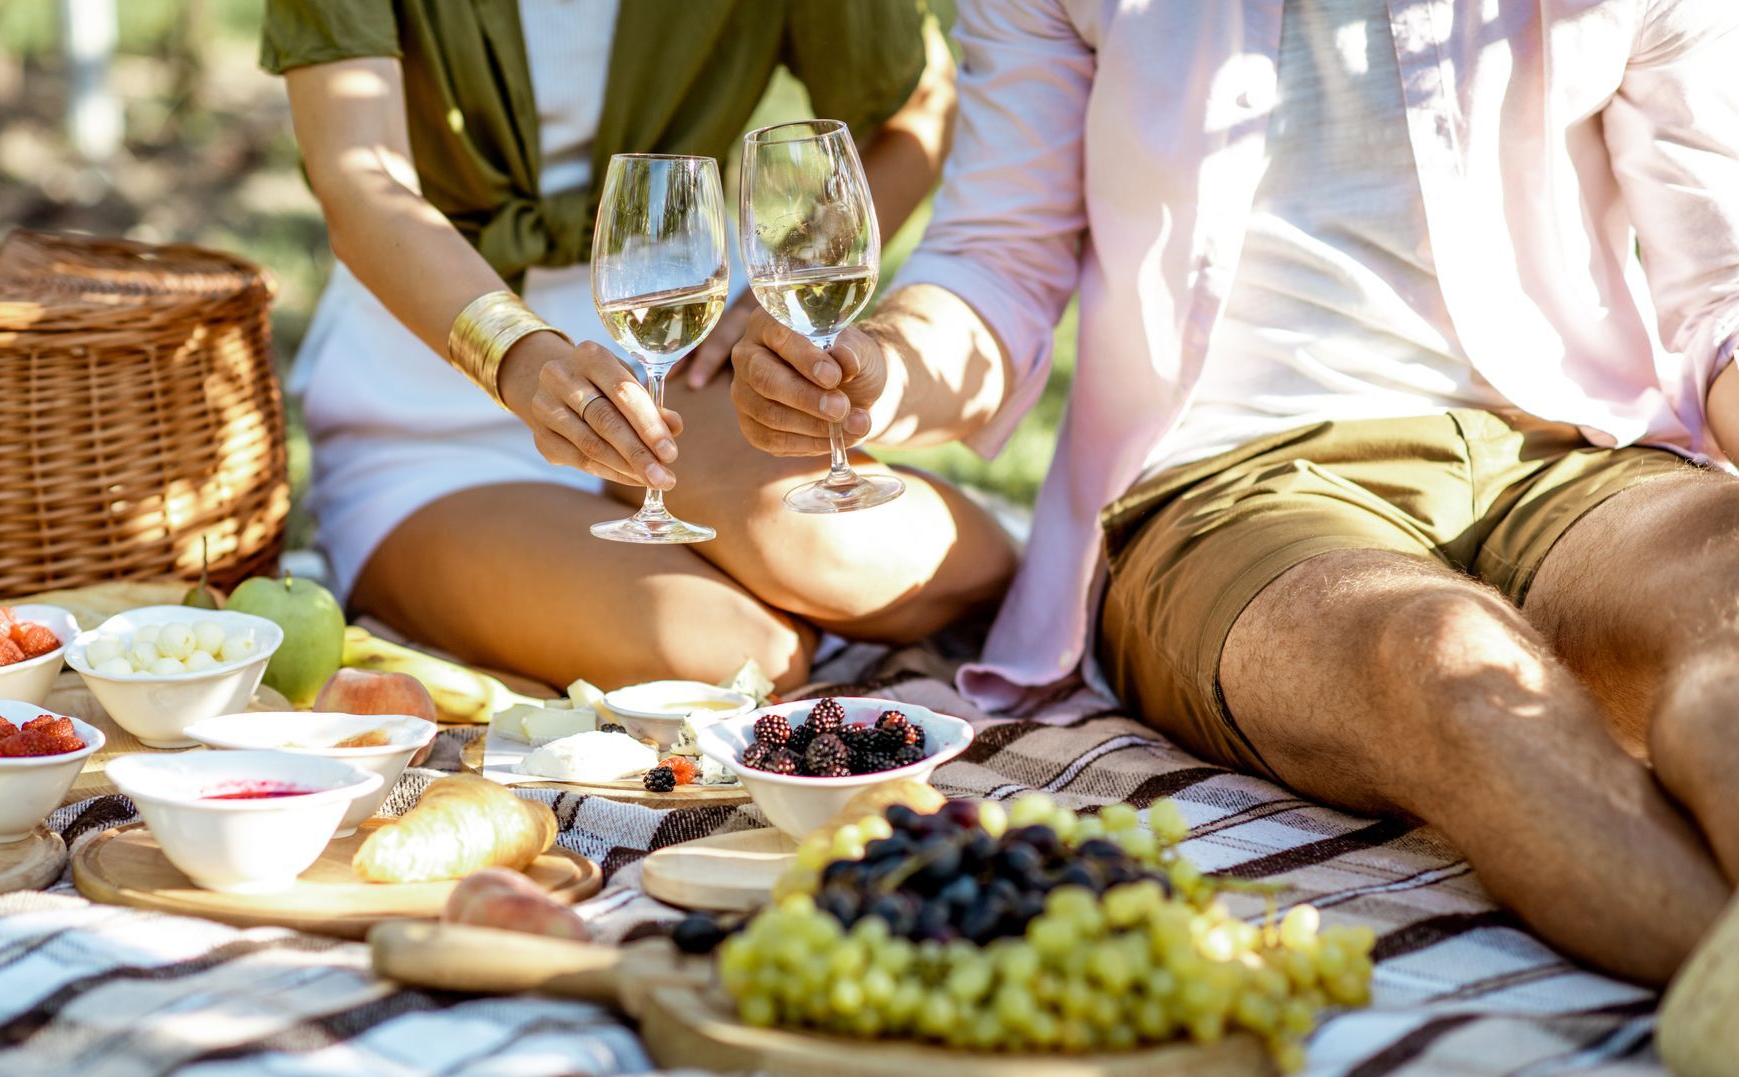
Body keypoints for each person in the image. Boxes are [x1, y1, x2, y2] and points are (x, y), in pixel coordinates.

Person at [730, 0, 1739, 986]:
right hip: (1230, 486)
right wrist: (884, 371)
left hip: (1577, 454)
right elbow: (998, 259)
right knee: (1442, 663)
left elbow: (1723, 291)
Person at [261, 0, 1014, 694]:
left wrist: (765, 294)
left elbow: (915, 107)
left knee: (883, 561)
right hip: (430, 398)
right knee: (732, 657)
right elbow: (358, 177)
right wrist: (520, 356)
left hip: (678, 358)